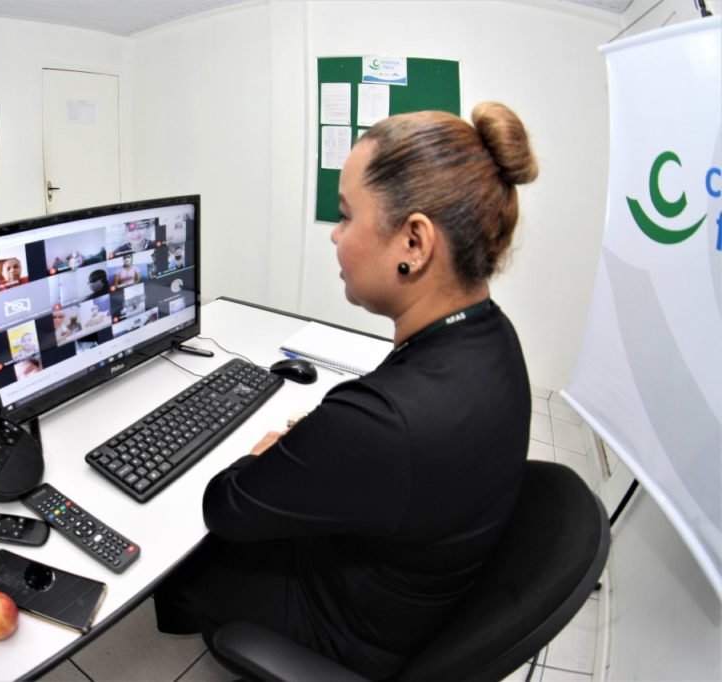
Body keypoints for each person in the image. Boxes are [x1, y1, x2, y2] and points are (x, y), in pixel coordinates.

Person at [153, 102, 538, 680]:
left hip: (349, 630)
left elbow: (226, 507)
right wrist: (328, 449)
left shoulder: (383, 422)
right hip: (415, 589)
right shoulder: (492, 336)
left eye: (345, 215)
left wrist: (268, 453)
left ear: (414, 242)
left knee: (187, 553)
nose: (334, 235)